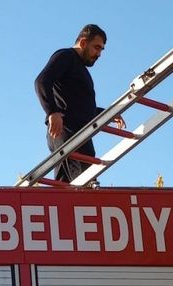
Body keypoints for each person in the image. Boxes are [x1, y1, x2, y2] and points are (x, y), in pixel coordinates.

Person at [34, 24, 125, 182]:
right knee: (85, 182)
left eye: (102, 49)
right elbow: (42, 81)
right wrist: (52, 112)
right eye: (96, 47)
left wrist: (107, 114)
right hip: (68, 132)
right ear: (83, 42)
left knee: (65, 185)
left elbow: (81, 108)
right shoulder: (66, 56)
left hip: (77, 132)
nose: (99, 54)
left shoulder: (81, 70)